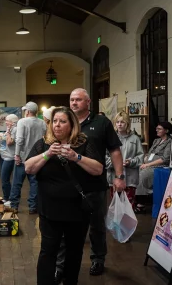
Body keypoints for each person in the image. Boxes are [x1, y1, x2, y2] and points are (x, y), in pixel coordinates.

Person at [25, 106, 104, 285]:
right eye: (55, 121)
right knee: (48, 250)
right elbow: (29, 168)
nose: (57, 125)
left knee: (74, 251)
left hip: (77, 210)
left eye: (62, 121)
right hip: (49, 210)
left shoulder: (85, 143)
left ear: (72, 125)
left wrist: (76, 157)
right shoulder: (43, 143)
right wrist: (47, 154)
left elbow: (98, 169)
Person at [54, 89, 126, 283]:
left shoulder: (101, 123)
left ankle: (98, 259)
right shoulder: (65, 122)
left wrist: (119, 176)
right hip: (68, 186)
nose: (74, 103)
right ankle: (60, 266)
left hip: (94, 184)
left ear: (88, 102)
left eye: (78, 100)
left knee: (96, 226)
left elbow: (115, 151)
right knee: (64, 227)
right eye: (71, 99)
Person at [9, 101, 47, 214]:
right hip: (37, 158)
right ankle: (33, 207)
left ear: (28, 111)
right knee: (34, 183)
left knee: (17, 182)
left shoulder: (22, 122)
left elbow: (19, 139)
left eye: (25, 110)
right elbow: (45, 139)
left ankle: (14, 206)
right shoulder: (42, 123)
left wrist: (16, 155)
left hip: (23, 157)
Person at [106, 111, 144, 210]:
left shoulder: (135, 139)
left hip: (130, 179)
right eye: (117, 122)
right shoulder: (110, 138)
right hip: (114, 178)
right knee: (115, 208)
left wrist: (130, 162)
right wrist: (115, 163)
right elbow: (104, 157)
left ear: (127, 123)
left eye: (122, 122)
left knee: (128, 208)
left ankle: (127, 226)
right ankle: (116, 226)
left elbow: (140, 157)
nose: (119, 124)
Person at [135, 121, 172, 213]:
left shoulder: (170, 142)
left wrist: (148, 164)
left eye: (159, 129)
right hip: (148, 164)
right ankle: (135, 199)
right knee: (135, 170)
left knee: (143, 174)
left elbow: (165, 159)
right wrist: (145, 158)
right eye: (157, 128)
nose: (156, 130)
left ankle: (141, 204)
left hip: (160, 166)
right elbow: (149, 152)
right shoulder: (156, 140)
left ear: (166, 130)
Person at [0, 114, 19, 202]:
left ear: (12, 122)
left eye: (7, 120)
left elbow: (9, 142)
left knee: (5, 179)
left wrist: (8, 132)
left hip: (9, 158)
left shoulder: (15, 129)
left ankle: (8, 198)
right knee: (3, 178)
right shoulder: (9, 129)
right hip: (4, 157)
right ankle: (7, 197)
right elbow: (5, 137)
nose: (6, 122)